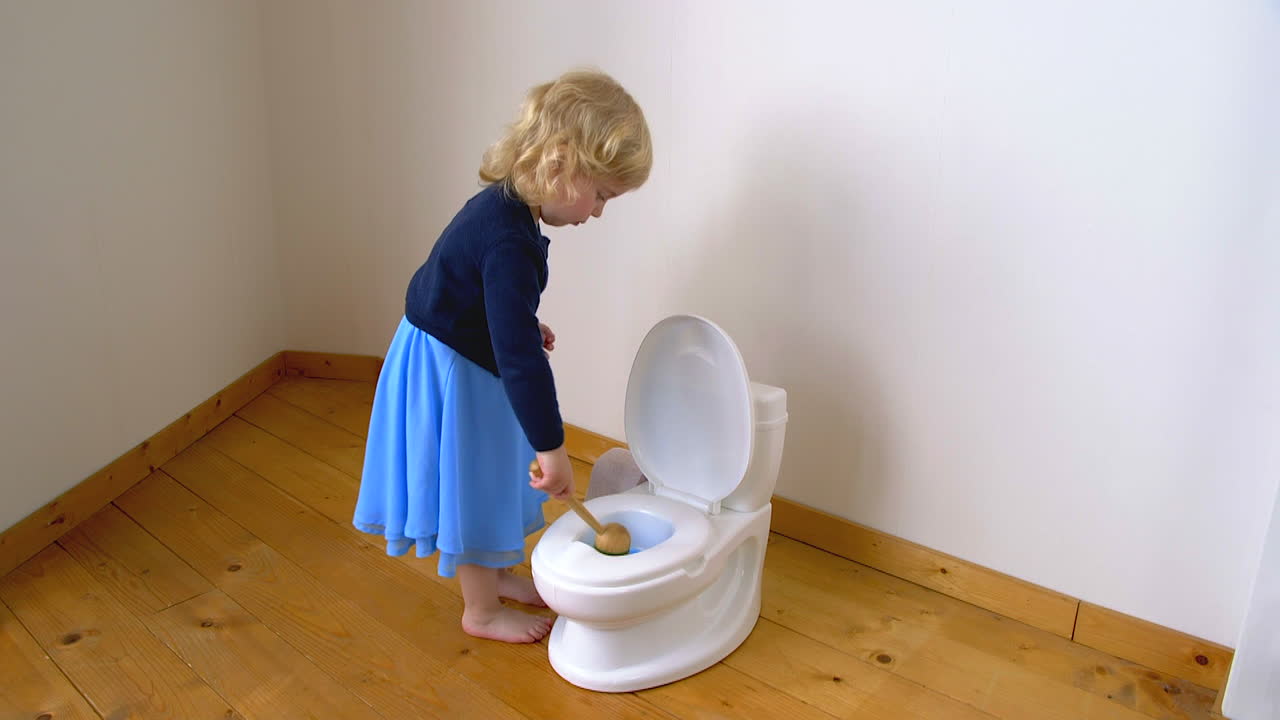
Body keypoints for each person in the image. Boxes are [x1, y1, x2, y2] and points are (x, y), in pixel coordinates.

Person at [353, 69, 653, 643]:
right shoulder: (511, 238)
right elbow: (520, 361)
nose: (598, 213)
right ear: (562, 164)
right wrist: (554, 448)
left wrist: (517, 322)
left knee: (488, 473)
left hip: (456, 348)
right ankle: (481, 611)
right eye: (602, 195)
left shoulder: (507, 207)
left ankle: (493, 579)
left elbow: (482, 296)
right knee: (475, 482)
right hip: (449, 366)